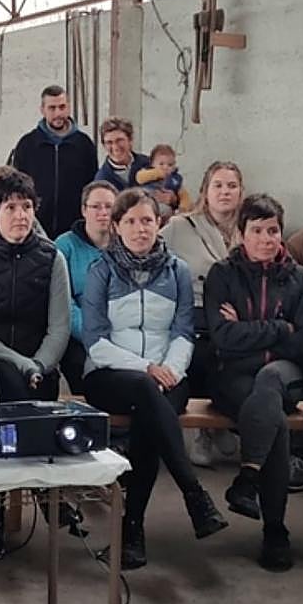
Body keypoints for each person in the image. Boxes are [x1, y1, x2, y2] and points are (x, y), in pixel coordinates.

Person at [81, 190, 227, 569]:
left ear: (159, 223)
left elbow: (184, 331)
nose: (140, 229)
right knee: (147, 395)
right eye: (130, 221)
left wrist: (170, 372)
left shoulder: (177, 271)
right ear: (116, 227)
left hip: (168, 376)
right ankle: (193, 493)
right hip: (109, 375)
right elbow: (95, 341)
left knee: (149, 415)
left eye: (147, 220)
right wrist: (147, 368)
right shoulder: (100, 270)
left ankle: (133, 535)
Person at [0, 167, 74, 560]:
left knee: (18, 397)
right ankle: (13, 505)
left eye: (27, 207)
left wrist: (39, 364)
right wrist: (21, 364)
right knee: (4, 390)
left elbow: (59, 326)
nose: (21, 215)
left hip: (39, 368)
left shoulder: (52, 258)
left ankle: (0, 512)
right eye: (10, 207)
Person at [204, 194, 303, 572]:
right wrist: (279, 328)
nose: (266, 239)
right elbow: (223, 338)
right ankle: (275, 530)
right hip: (234, 377)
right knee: (274, 420)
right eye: (257, 231)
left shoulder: (299, 278)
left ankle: (249, 479)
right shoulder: (223, 274)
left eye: (273, 231)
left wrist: (247, 331)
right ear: (241, 234)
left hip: (285, 374)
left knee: (270, 382)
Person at [160, 161, 244, 466]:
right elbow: (152, 257)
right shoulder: (179, 227)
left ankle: (220, 420)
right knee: (201, 352)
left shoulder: (249, 228)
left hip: (235, 313)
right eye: (217, 185)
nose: (225, 192)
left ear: (241, 192)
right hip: (192, 311)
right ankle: (201, 431)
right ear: (205, 191)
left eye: (231, 186)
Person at [9, 84, 98, 238]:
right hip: (35, 230)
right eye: (52, 108)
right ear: (42, 110)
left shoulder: (84, 145)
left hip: (75, 230)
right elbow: (17, 187)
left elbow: (92, 187)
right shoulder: (27, 144)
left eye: (62, 107)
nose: (58, 113)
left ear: (69, 108)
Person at [54, 180, 117, 393]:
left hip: (121, 333)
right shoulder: (64, 246)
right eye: (96, 206)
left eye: (109, 206)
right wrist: (94, 334)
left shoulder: (128, 243)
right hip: (79, 335)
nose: (103, 213)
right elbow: (63, 301)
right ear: (83, 210)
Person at [93, 116, 151, 193]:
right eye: (109, 142)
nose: (115, 147)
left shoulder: (148, 163)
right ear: (103, 145)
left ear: (130, 140)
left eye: (119, 140)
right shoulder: (102, 180)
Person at [134, 143, 189, 218]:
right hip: (144, 201)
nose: (165, 167)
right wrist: (157, 173)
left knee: (167, 211)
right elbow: (139, 178)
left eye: (170, 165)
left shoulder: (175, 179)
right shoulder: (148, 172)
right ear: (152, 164)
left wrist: (183, 208)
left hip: (163, 206)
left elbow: (184, 195)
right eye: (161, 164)